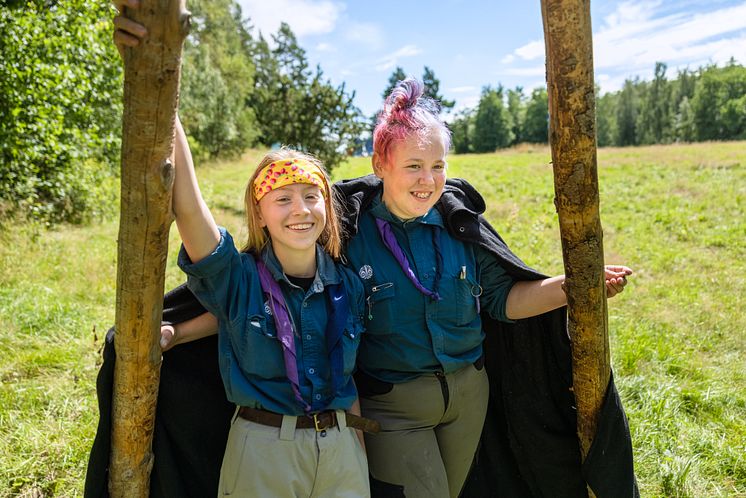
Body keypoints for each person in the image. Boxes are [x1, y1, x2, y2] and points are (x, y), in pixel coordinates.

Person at [99, 7, 637, 498]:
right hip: (329, 430)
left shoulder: (422, 245)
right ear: (381, 164)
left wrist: (574, 287)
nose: (428, 181)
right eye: (413, 167)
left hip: (403, 421)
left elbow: (499, 300)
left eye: (438, 166)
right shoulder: (314, 254)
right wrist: (155, 77)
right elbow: (235, 274)